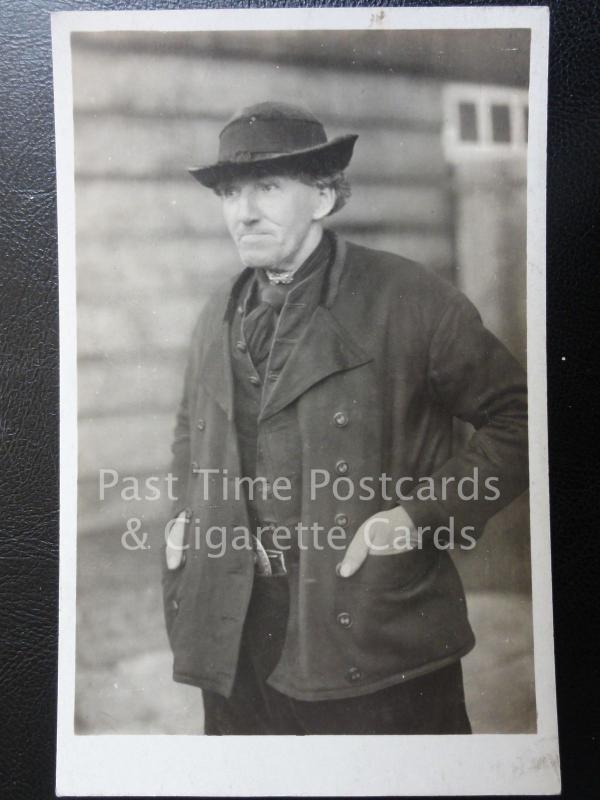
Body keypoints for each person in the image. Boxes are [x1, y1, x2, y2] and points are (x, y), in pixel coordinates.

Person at [161, 101, 528, 735]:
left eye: (268, 187)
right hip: (235, 634)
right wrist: (187, 517)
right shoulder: (216, 312)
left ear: (325, 197)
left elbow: (523, 421)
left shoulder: (410, 299)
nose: (242, 212)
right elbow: (189, 431)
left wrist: (418, 518)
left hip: (370, 635)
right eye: (230, 192)